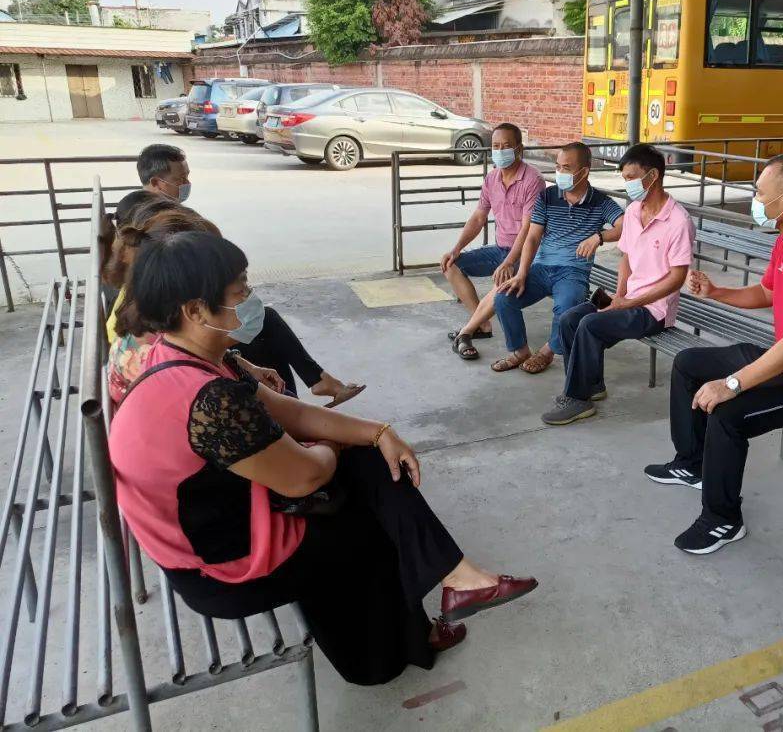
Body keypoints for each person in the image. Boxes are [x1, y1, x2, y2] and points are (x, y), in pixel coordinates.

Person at [108, 230, 538, 686]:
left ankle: (456, 584)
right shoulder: (206, 399)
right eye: (240, 292)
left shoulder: (192, 356)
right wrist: (340, 445)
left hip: (227, 516)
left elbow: (292, 411)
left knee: (371, 465)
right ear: (195, 310)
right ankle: (384, 657)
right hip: (219, 568)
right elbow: (305, 477)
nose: (251, 300)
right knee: (367, 523)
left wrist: (378, 432)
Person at [645, 154, 783, 554]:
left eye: (759, 193)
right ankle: (692, 463)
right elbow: (767, 293)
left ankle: (722, 520)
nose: (754, 200)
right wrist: (718, 292)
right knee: (689, 364)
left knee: (728, 414)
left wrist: (733, 383)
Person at [105, 196, 362, 408]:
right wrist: (325, 440)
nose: (247, 295)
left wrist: (242, 365)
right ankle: (310, 388)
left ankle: (308, 390)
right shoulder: (184, 374)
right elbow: (305, 467)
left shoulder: (153, 319)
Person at [542, 144, 694, 425]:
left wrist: (629, 303)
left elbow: (677, 278)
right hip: (629, 299)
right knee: (570, 319)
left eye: (631, 178)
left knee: (590, 325)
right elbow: (627, 257)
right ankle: (591, 385)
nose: (627, 185)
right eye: (624, 178)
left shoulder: (678, 221)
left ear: (653, 176)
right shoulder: (635, 211)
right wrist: (619, 295)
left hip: (654, 311)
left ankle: (578, 399)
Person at [492, 142, 624, 375]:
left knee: (568, 305)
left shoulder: (601, 202)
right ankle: (520, 350)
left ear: (584, 171)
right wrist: (521, 273)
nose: (560, 173)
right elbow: (532, 238)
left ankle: (547, 351)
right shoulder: (547, 196)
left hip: (573, 271)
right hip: (542, 268)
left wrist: (599, 237)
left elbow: (625, 227)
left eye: (566, 168)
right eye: (558, 167)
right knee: (503, 297)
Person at [443, 123, 545, 361]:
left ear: (519, 149)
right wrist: (456, 249)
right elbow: (479, 216)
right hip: (500, 248)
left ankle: (467, 331)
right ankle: (483, 325)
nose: (500, 151)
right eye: (496, 146)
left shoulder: (533, 180)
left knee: (503, 281)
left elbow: (528, 229)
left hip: (527, 253)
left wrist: (510, 262)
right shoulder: (491, 178)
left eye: (506, 146)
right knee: (451, 265)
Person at [114, 144, 191, 227]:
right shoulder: (156, 221)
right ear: (155, 182)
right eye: (180, 179)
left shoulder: (130, 204)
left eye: (187, 176)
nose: (187, 183)